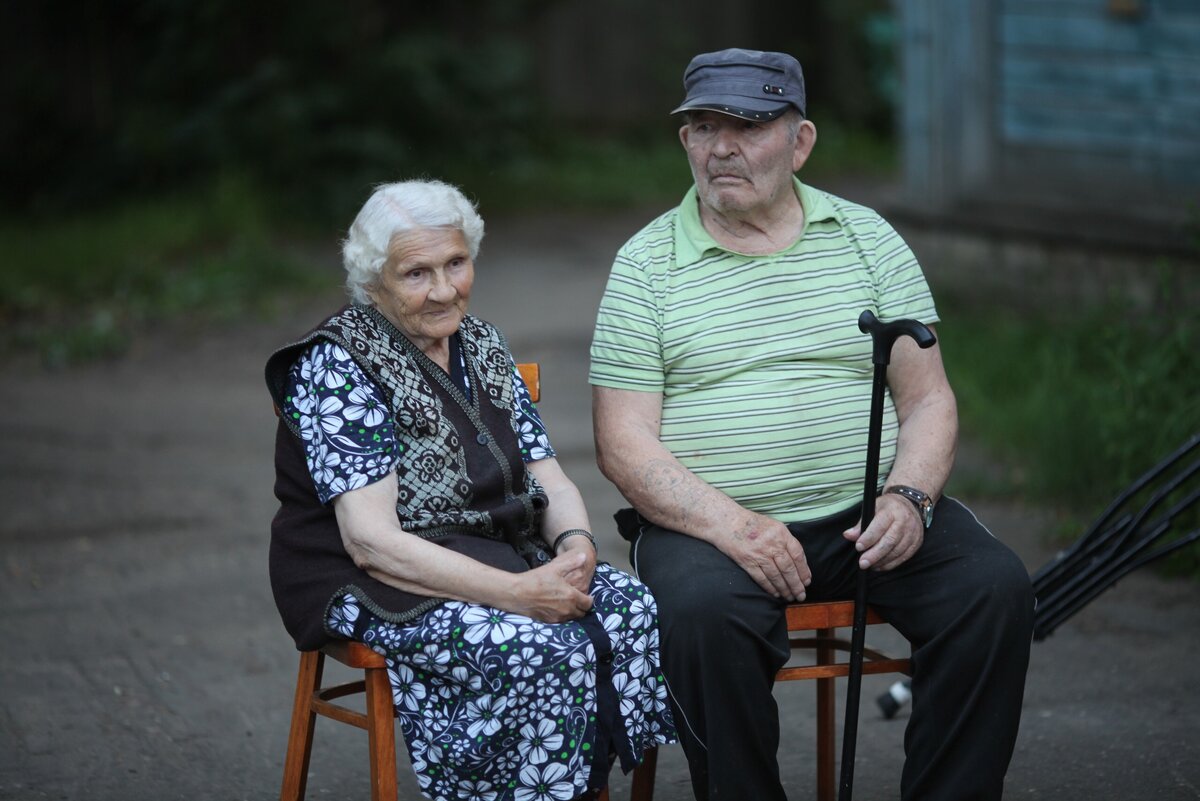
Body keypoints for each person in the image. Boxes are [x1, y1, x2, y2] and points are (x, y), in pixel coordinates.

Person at [589, 49, 1034, 801]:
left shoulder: (867, 238)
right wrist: (734, 526)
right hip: (711, 529)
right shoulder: (645, 266)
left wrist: (910, 497)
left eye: (749, 126)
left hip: (865, 515)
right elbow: (622, 440)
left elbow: (928, 399)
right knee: (698, 616)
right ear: (685, 143)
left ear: (800, 142)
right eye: (704, 126)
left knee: (992, 588)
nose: (722, 146)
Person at [265, 179, 676, 801]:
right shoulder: (338, 363)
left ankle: (579, 788)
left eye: (456, 263)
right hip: (370, 575)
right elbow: (371, 542)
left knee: (632, 610)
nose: (443, 289)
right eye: (416, 274)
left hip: (496, 547)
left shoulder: (482, 343)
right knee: (543, 648)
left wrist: (576, 543)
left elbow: (547, 475)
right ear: (373, 281)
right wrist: (517, 594)